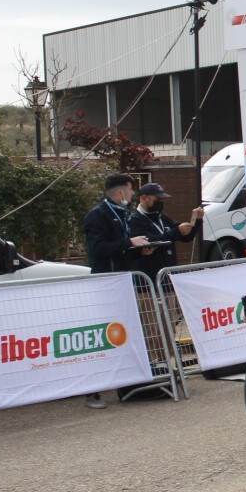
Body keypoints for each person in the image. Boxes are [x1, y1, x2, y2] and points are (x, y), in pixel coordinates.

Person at [82, 174, 152, 409]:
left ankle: (128, 383)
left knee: (127, 333)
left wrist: (137, 250)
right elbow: (99, 249)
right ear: (121, 193)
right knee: (104, 335)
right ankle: (92, 391)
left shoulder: (123, 214)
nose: (132, 196)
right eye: (131, 191)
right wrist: (129, 244)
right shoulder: (97, 215)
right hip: (107, 284)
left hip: (124, 282)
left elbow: (121, 247)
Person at [127, 183, 203, 282]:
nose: (161, 202)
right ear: (144, 198)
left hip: (169, 277)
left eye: (163, 200)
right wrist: (176, 232)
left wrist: (196, 221)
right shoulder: (135, 219)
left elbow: (186, 237)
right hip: (148, 279)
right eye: (158, 199)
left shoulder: (163, 217)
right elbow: (148, 241)